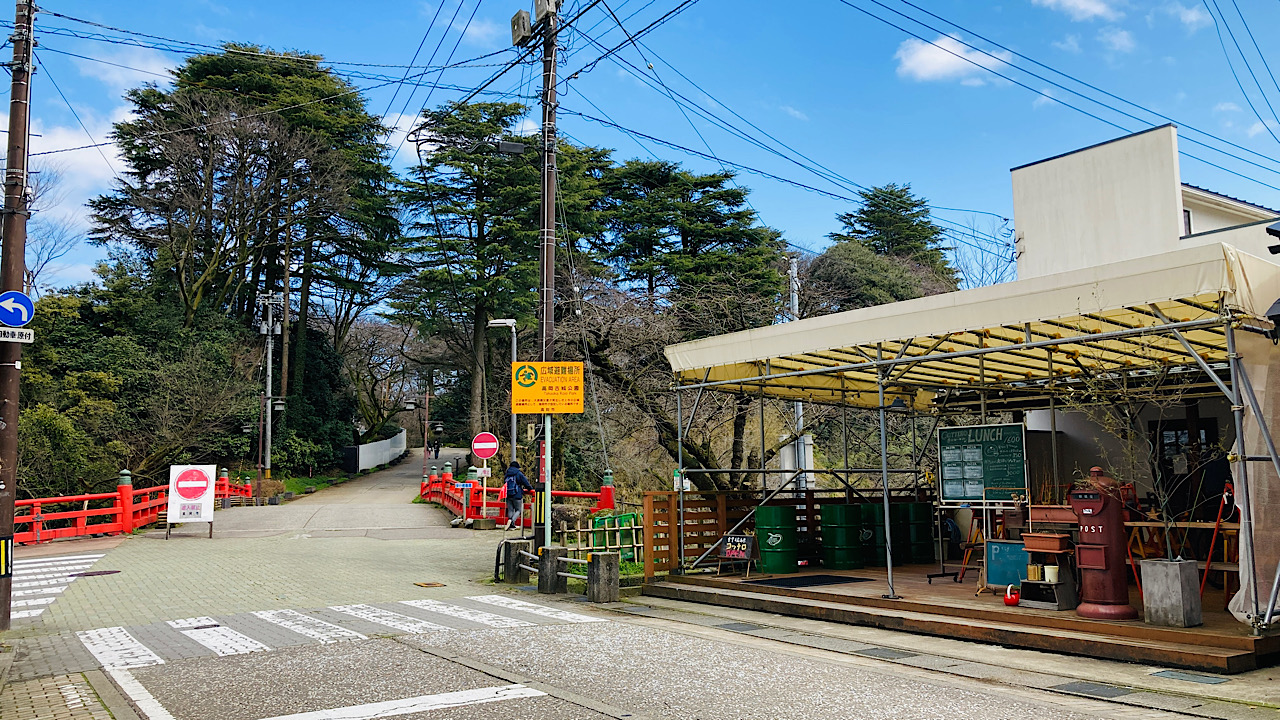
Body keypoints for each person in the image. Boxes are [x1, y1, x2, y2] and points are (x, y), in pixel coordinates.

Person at [503, 461, 533, 531]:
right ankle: (512, 521)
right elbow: (525, 482)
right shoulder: (518, 473)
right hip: (517, 494)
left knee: (510, 509)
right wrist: (530, 489)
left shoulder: (507, 474)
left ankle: (511, 524)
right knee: (519, 510)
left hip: (508, 494)